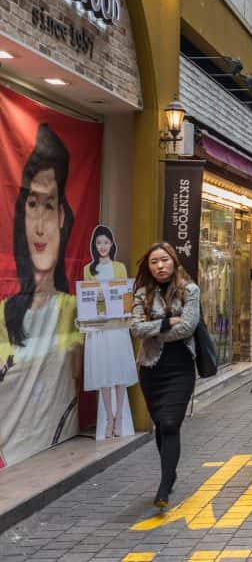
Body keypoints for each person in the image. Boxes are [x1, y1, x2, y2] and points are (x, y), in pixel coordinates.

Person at [0, 125, 83, 468]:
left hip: (56, 440)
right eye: (32, 204)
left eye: (48, 206)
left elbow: (78, 372)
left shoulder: (73, 308)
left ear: (62, 216)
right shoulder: (5, 312)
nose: (39, 226)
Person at [129, 242, 201, 508]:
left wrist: (155, 329)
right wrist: (166, 322)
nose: (160, 266)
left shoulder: (190, 290)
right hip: (151, 368)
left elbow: (188, 327)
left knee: (171, 423)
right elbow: (135, 328)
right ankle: (170, 474)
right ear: (148, 267)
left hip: (181, 367)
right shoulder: (142, 293)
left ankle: (163, 485)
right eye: (154, 262)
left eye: (164, 260)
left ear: (174, 261)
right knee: (161, 424)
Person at [82, 224, 137, 439]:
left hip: (117, 326)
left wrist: (127, 312)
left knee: (120, 369)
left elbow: (126, 296)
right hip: (98, 327)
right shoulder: (88, 269)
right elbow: (86, 298)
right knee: (103, 371)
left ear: (111, 244)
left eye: (106, 242)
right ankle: (108, 418)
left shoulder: (120, 267)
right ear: (94, 246)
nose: (102, 246)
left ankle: (119, 418)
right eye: (99, 243)